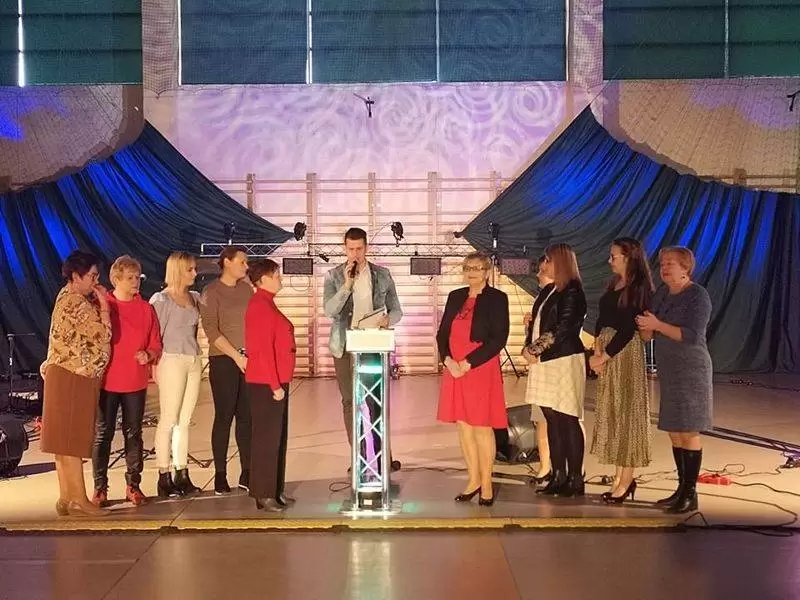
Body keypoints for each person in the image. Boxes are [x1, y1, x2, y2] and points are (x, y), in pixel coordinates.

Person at [637, 247, 713, 514]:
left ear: (685, 268)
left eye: (670, 263)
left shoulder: (697, 295)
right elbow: (650, 331)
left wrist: (656, 325)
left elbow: (691, 335)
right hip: (669, 371)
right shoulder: (662, 293)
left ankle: (690, 494)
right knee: (674, 430)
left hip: (691, 370)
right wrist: (645, 328)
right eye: (662, 264)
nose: (664, 268)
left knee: (688, 429)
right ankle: (681, 489)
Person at [323, 227, 403, 471]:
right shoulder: (334, 276)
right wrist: (347, 285)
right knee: (350, 401)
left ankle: (382, 457)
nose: (355, 253)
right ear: (345, 249)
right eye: (351, 249)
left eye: (359, 248)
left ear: (366, 248)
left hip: (373, 343)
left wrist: (388, 319)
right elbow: (329, 311)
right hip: (345, 346)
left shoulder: (382, 275)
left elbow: (397, 310)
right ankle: (358, 457)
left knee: (376, 400)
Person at [41, 250, 112, 517]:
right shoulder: (78, 303)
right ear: (76, 276)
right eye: (92, 276)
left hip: (64, 373)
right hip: (74, 375)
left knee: (63, 442)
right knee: (72, 440)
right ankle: (79, 499)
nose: (96, 281)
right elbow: (103, 334)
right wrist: (104, 304)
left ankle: (66, 497)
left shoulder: (65, 296)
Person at [437, 253, 509, 506]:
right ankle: (473, 479)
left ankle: (487, 483)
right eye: (468, 268)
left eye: (477, 268)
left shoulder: (497, 299)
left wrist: (467, 363)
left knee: (481, 426)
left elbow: (498, 339)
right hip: (454, 368)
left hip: (479, 368)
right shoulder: (455, 296)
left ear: (487, 271)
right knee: (464, 425)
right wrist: (447, 360)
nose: (472, 273)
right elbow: (442, 334)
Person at [91, 256, 162, 507]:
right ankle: (100, 488)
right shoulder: (103, 306)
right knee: (103, 433)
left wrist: (149, 354)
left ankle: (133, 485)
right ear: (116, 280)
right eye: (130, 278)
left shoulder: (146, 309)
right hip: (107, 381)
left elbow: (156, 342)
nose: (136, 282)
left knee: (134, 433)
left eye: (137, 277)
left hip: (135, 381)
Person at [588, 238, 654, 504]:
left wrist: (605, 355)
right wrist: (596, 350)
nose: (610, 260)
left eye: (614, 256)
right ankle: (619, 476)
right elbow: (601, 318)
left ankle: (626, 479)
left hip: (624, 354)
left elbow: (628, 328)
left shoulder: (639, 287)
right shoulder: (613, 283)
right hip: (606, 351)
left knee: (627, 415)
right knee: (614, 413)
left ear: (628, 257)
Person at [522, 243, 587, 497]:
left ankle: (575, 478)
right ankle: (558, 475)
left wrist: (535, 349)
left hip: (563, 360)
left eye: (548, 260)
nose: (543, 264)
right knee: (552, 420)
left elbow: (563, 328)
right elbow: (537, 324)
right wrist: (528, 344)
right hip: (544, 361)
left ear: (560, 262)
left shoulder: (572, 291)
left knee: (567, 418)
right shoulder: (549, 291)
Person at [199, 246, 253, 494]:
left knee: (246, 417)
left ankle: (247, 471)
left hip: (248, 359)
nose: (246, 266)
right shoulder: (211, 292)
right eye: (242, 262)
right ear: (227, 262)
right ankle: (220, 474)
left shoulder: (246, 289)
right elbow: (212, 331)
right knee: (224, 416)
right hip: (224, 359)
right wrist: (235, 355)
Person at [244, 259, 297, 512]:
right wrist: (274, 385)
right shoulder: (259, 306)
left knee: (277, 438)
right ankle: (264, 492)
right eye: (276, 275)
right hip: (266, 383)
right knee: (267, 439)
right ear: (263, 279)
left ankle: (275, 489)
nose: (280, 279)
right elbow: (262, 350)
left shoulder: (267, 303)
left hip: (277, 381)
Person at [150, 252, 203, 497]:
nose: (195, 273)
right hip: (171, 359)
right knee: (168, 419)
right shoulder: (161, 300)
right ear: (177, 271)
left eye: (194, 268)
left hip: (193, 358)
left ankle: (182, 473)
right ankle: (164, 475)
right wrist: (154, 365)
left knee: (185, 420)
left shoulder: (195, 297)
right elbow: (154, 335)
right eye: (190, 269)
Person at [523, 255, 556, 482]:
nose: (538, 275)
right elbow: (538, 332)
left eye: (542, 271)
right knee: (540, 419)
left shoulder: (565, 296)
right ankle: (545, 467)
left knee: (564, 420)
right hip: (539, 365)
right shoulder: (541, 298)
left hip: (555, 365)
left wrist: (534, 349)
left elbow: (557, 331)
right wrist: (530, 327)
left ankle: (572, 468)